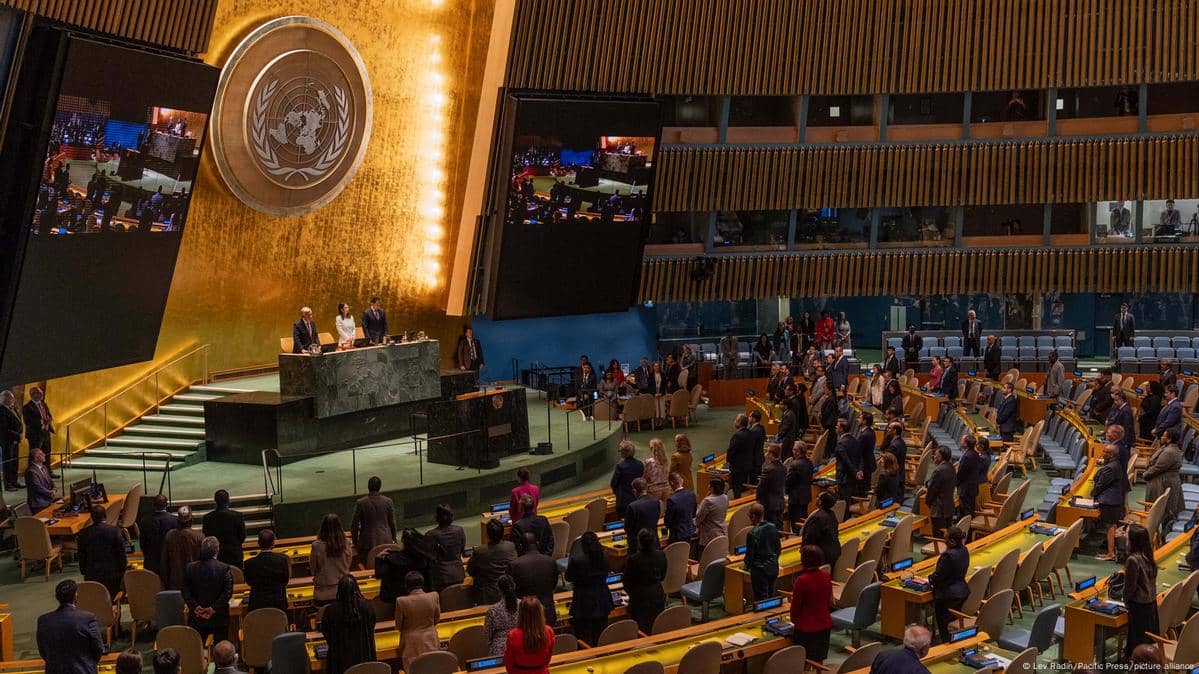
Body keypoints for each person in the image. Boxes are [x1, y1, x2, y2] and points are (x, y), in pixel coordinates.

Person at [36, 580, 105, 673]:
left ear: (57, 597)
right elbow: (98, 648)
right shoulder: (87, 618)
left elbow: (43, 651)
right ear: (76, 595)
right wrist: (89, 664)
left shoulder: (43, 621)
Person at [565, 532, 613, 646]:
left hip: (583, 601)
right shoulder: (605, 556)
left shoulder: (577, 560)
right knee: (601, 635)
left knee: (583, 636)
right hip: (602, 598)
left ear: (582, 545)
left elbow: (568, 577)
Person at [183, 537, 234, 643]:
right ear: (217, 550)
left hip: (197, 616)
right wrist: (213, 609)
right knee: (220, 648)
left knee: (198, 647)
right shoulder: (224, 568)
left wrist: (195, 607)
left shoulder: (190, 568)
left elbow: (185, 591)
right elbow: (227, 593)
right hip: (218, 617)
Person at [789, 545, 833, 662]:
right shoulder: (826, 576)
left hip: (806, 628)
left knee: (802, 661)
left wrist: (794, 620)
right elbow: (827, 600)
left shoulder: (801, 580)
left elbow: (796, 607)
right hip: (824, 624)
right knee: (818, 660)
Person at [1123, 524, 1159, 658]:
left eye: (1127, 535)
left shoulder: (1132, 560)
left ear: (1132, 540)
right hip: (1151, 606)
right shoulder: (1148, 555)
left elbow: (1130, 588)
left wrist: (1124, 601)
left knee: (1138, 648)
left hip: (1138, 609)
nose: (1125, 537)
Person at [929, 527, 970, 643]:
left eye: (945, 539)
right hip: (962, 592)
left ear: (952, 541)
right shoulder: (964, 550)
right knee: (952, 621)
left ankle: (946, 644)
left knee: (944, 625)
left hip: (947, 595)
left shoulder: (948, 556)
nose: (944, 541)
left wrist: (930, 578)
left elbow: (939, 576)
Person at [394, 571, 440, 671]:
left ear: (406, 585)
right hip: (431, 639)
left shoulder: (401, 601)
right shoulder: (434, 596)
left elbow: (398, 626)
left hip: (411, 644)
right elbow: (437, 619)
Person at [509, 532, 558, 625]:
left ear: (520, 546)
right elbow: (553, 585)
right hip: (547, 612)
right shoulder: (551, 561)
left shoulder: (514, 565)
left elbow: (511, 591)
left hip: (525, 614)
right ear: (537, 544)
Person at [78, 504, 127, 597]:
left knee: (96, 599)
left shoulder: (83, 533)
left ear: (92, 518)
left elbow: (81, 556)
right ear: (105, 516)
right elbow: (121, 554)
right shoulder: (115, 531)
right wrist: (123, 569)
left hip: (92, 575)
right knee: (114, 598)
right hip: (113, 574)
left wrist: (84, 571)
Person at [625, 527, 667, 633]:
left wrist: (630, 592)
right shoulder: (661, 555)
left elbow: (627, 581)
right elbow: (663, 576)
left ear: (639, 542)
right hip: (657, 593)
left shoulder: (633, 559)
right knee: (657, 625)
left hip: (639, 596)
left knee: (640, 628)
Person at [1093, 444, 1130, 562]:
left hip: (1109, 501)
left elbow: (1101, 484)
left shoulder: (1110, 467)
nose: (1103, 453)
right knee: (1112, 526)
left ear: (1112, 454)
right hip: (1114, 499)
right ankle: (1111, 552)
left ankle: (1110, 553)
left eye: (1106, 452)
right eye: (1104, 451)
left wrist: (1093, 494)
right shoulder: (1116, 464)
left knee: (1110, 526)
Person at [469, 518, 518, 605]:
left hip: (488, 595)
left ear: (487, 535)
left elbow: (470, 571)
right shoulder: (511, 546)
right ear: (503, 533)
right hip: (509, 591)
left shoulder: (479, 551)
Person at [376, 528, 431, 604]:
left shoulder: (392, 559)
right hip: (423, 596)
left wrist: (378, 559)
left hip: (395, 599)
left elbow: (379, 575)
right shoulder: (425, 557)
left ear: (403, 542)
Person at [503, 597, 556, 674]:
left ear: (521, 613)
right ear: (540, 612)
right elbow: (547, 659)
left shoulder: (513, 635)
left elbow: (509, 663)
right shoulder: (549, 631)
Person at [351, 476, 397, 563]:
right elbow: (392, 523)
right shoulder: (388, 501)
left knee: (367, 564)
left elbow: (354, 525)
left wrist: (355, 542)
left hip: (367, 543)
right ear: (380, 487)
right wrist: (393, 538)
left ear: (368, 487)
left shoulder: (361, 503)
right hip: (386, 541)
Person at [1144, 427, 1185, 525]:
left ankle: (1164, 531)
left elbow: (1158, 468)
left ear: (1169, 439)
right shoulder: (1168, 448)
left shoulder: (1169, 452)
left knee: (1166, 510)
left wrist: (1145, 474)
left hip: (1165, 482)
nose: (1161, 437)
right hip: (1167, 480)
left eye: (1163, 436)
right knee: (1167, 508)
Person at [243, 529, 290, 612]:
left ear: (258, 543)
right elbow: (285, 581)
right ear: (273, 543)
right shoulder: (282, 560)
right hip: (279, 605)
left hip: (257, 606)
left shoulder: (249, 563)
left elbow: (249, 583)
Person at [312, 513, 353, 604]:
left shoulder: (316, 546)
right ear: (339, 527)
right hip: (344, 592)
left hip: (322, 594)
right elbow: (348, 564)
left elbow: (313, 569)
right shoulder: (347, 542)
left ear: (323, 528)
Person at [162, 506, 204, 591]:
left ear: (178, 521)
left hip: (175, 583)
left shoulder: (170, 536)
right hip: (194, 583)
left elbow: (164, 562)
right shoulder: (199, 536)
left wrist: (165, 582)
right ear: (192, 520)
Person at [202, 490, 246, 569]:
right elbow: (242, 536)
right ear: (228, 500)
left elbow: (207, 537)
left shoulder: (207, 518)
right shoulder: (238, 516)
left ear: (215, 501)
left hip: (216, 557)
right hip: (234, 556)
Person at [427, 504, 467, 591]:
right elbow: (462, 550)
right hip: (458, 574)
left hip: (441, 577)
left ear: (437, 517)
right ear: (451, 516)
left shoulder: (431, 534)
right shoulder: (459, 530)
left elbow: (430, 556)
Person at [745, 503, 781, 601]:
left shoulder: (752, 533)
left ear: (753, 516)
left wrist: (747, 566)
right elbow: (778, 549)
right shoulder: (773, 527)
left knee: (761, 600)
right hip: (773, 568)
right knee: (770, 595)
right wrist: (774, 561)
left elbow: (750, 556)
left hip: (759, 571)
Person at [139, 494, 178, 576]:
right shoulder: (175, 520)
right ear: (167, 505)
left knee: (151, 582)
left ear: (153, 505)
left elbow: (142, 542)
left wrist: (148, 555)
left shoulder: (145, 521)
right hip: (170, 560)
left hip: (151, 559)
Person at [485, 575, 519, 655]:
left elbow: (488, 634)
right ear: (514, 586)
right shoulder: (523, 605)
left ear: (499, 590)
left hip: (499, 649)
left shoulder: (493, 610)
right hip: (521, 644)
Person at [834, 419, 861, 516]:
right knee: (848, 499)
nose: (836, 428)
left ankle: (843, 520)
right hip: (852, 476)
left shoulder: (841, 443)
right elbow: (859, 457)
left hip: (844, 477)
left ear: (841, 429)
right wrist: (858, 471)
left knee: (843, 501)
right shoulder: (855, 440)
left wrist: (855, 472)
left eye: (837, 426)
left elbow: (846, 461)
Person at [610, 440, 644, 517]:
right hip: (637, 499)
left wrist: (617, 493)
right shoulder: (640, 464)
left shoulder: (620, 466)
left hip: (623, 501)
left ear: (624, 452)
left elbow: (614, 483)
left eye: (620, 451)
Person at [927, 448, 956, 536]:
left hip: (938, 510)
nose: (934, 456)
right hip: (949, 507)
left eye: (935, 454)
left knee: (938, 536)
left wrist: (928, 502)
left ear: (940, 457)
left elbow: (932, 490)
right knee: (947, 535)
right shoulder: (952, 467)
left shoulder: (939, 470)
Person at [624, 478, 661, 546]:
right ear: (646, 488)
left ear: (634, 491)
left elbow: (628, 528)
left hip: (638, 545)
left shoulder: (632, 506)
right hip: (654, 542)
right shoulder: (656, 502)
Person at [785, 442, 813, 530]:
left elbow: (788, 481)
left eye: (794, 449)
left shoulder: (794, 465)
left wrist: (786, 492)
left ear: (798, 451)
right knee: (803, 520)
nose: (792, 451)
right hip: (805, 496)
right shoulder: (809, 463)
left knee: (795, 523)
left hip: (795, 498)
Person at [726, 414, 755, 498]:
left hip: (737, 468)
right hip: (747, 465)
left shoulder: (737, 435)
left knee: (737, 488)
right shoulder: (751, 433)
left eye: (736, 420)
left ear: (739, 422)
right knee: (743, 487)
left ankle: (737, 502)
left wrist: (728, 462)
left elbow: (731, 451)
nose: (734, 422)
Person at [757, 445, 787, 527]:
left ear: (771, 454)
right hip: (780, 502)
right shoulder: (783, 468)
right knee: (779, 526)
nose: (766, 454)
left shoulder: (768, 469)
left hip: (769, 504)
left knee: (769, 527)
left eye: (767, 452)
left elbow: (761, 487)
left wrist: (758, 500)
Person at [664, 472, 696, 545]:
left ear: (671, 483)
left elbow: (667, 521)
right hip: (690, 531)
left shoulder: (672, 500)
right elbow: (693, 514)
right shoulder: (692, 494)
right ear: (682, 481)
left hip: (677, 535)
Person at [696, 478, 730, 547]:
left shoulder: (708, 501)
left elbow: (699, 517)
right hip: (722, 531)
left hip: (709, 535)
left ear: (711, 488)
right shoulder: (725, 497)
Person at [22, 387, 54, 457]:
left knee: (47, 453)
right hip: (34, 435)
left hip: (46, 432)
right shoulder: (27, 407)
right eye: (39, 393)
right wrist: (42, 422)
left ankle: (46, 464)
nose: (42, 394)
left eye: (41, 392)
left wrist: (49, 419)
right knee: (35, 456)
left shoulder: (43, 403)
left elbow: (49, 415)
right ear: (32, 395)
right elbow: (27, 421)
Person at [0, 390, 22, 491]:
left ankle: (14, 481)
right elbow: (3, 428)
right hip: (7, 441)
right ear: (3, 398)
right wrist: (17, 435)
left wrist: (20, 434)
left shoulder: (12, 408)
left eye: (11, 398)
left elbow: (18, 423)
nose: (11, 400)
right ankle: (8, 485)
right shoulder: (1, 410)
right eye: (9, 398)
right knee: (7, 463)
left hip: (15, 440)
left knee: (14, 462)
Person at [24, 447, 56, 513]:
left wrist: (54, 489)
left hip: (48, 500)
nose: (44, 455)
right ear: (35, 458)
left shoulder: (44, 467)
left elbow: (50, 481)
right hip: (38, 504)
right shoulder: (31, 471)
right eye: (41, 454)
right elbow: (37, 487)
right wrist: (50, 492)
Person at [856, 411, 878, 498]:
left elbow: (859, 452)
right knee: (866, 486)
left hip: (864, 465)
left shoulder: (864, 435)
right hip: (869, 462)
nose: (858, 420)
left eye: (860, 418)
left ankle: (862, 502)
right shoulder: (871, 431)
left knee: (862, 489)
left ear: (864, 421)